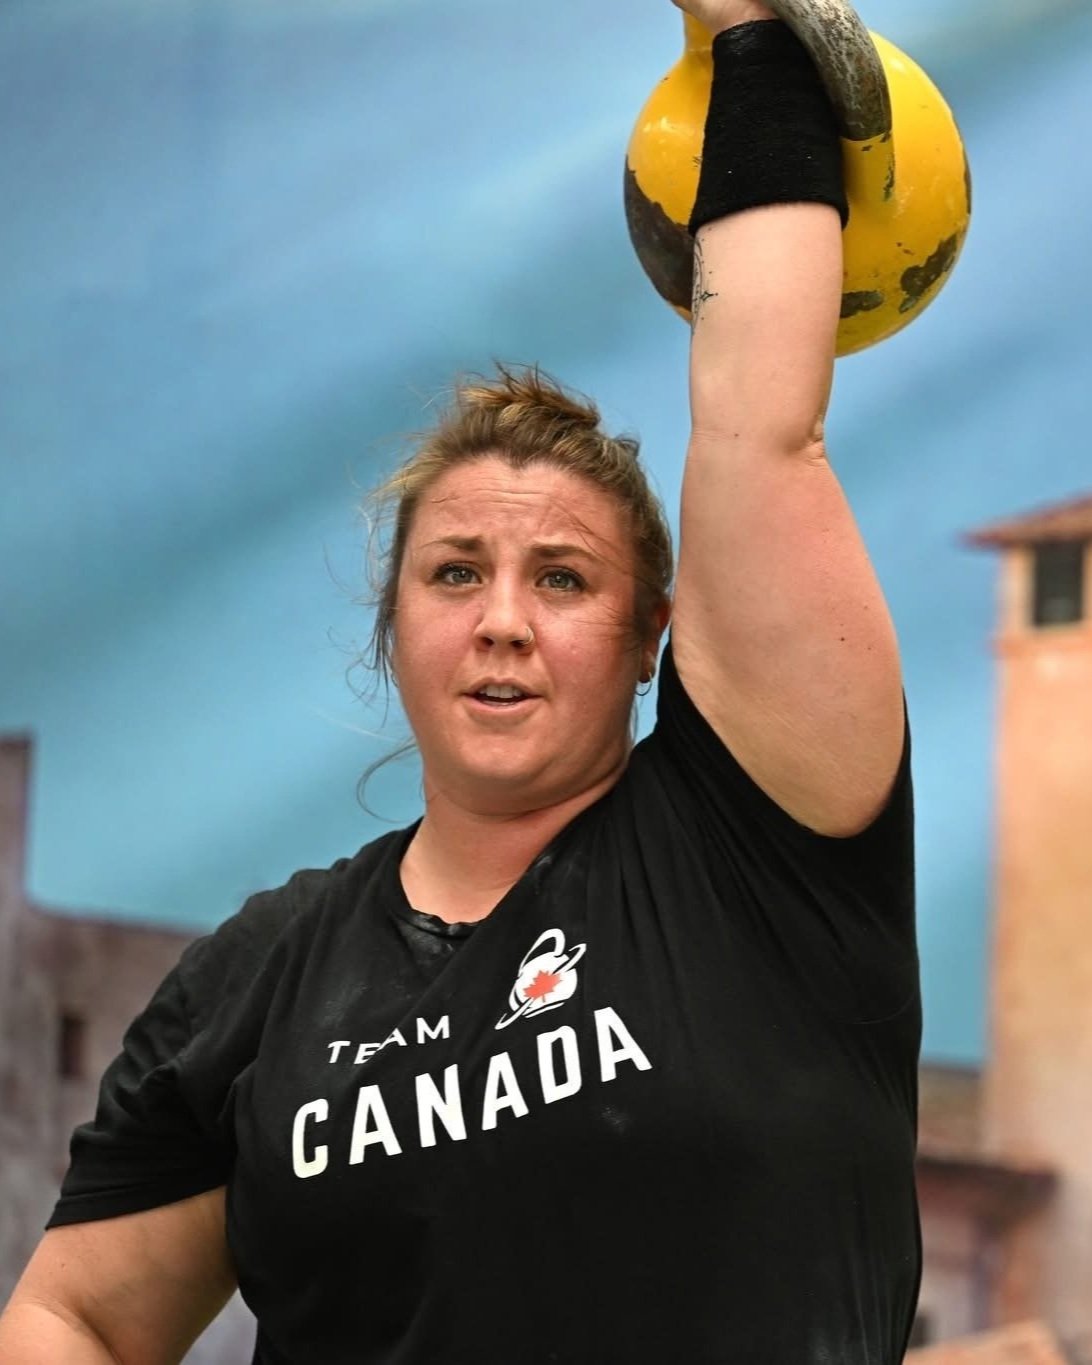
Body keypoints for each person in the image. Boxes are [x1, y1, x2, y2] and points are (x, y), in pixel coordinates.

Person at [0, 0, 923, 1360]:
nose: (502, 621)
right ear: (392, 630)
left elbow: (761, 429)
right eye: (452, 575)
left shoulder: (760, 851)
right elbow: (70, 1308)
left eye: (561, 578)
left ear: (652, 630)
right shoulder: (261, 976)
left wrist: (756, 50)